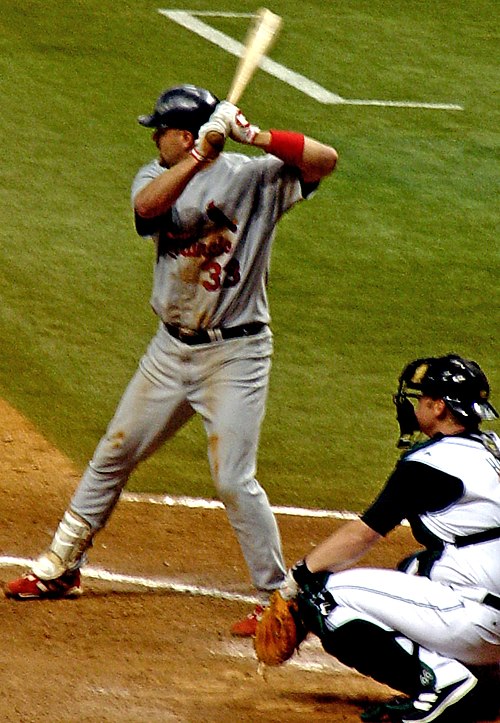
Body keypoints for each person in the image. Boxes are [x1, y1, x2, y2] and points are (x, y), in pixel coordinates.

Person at [5, 85, 338, 636]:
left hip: (236, 352)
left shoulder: (256, 177)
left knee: (233, 478)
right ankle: (61, 566)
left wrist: (254, 136)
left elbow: (326, 160)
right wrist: (200, 157)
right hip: (170, 349)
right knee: (114, 451)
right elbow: (148, 209)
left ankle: (277, 597)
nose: (154, 138)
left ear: (180, 133)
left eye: (160, 130)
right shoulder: (152, 175)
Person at [279, 354, 500, 722]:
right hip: (490, 612)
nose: (415, 405)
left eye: (421, 398)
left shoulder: (430, 463)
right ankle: (489, 681)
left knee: (321, 599)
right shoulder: (494, 448)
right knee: (415, 568)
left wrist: (296, 578)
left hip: (480, 623)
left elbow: (362, 535)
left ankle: (444, 681)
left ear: (439, 406)